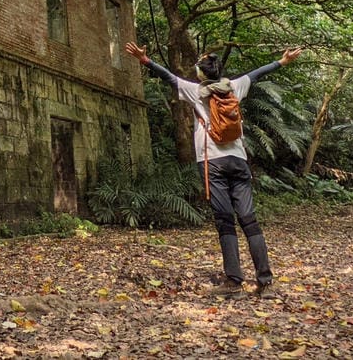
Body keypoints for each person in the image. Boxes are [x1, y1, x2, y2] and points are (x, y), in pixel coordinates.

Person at [125, 41, 302, 299]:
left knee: (225, 222)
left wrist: (144, 60)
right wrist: (283, 61)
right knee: (249, 221)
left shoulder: (197, 91)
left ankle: (234, 282)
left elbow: (167, 77)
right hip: (239, 160)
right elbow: (258, 73)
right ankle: (265, 282)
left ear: (201, 73)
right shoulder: (234, 86)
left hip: (212, 162)